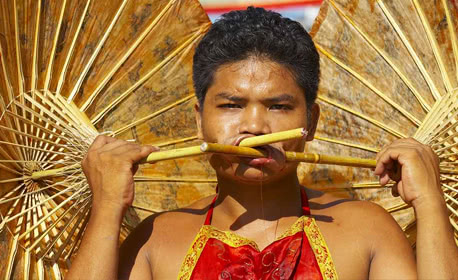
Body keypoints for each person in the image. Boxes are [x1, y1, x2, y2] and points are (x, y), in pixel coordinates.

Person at [66, 7, 458, 279]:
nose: (255, 126)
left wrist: (430, 203)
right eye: (232, 105)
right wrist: (106, 206)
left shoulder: (367, 230)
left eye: (279, 106)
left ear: (311, 122)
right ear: (199, 120)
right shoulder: (157, 240)